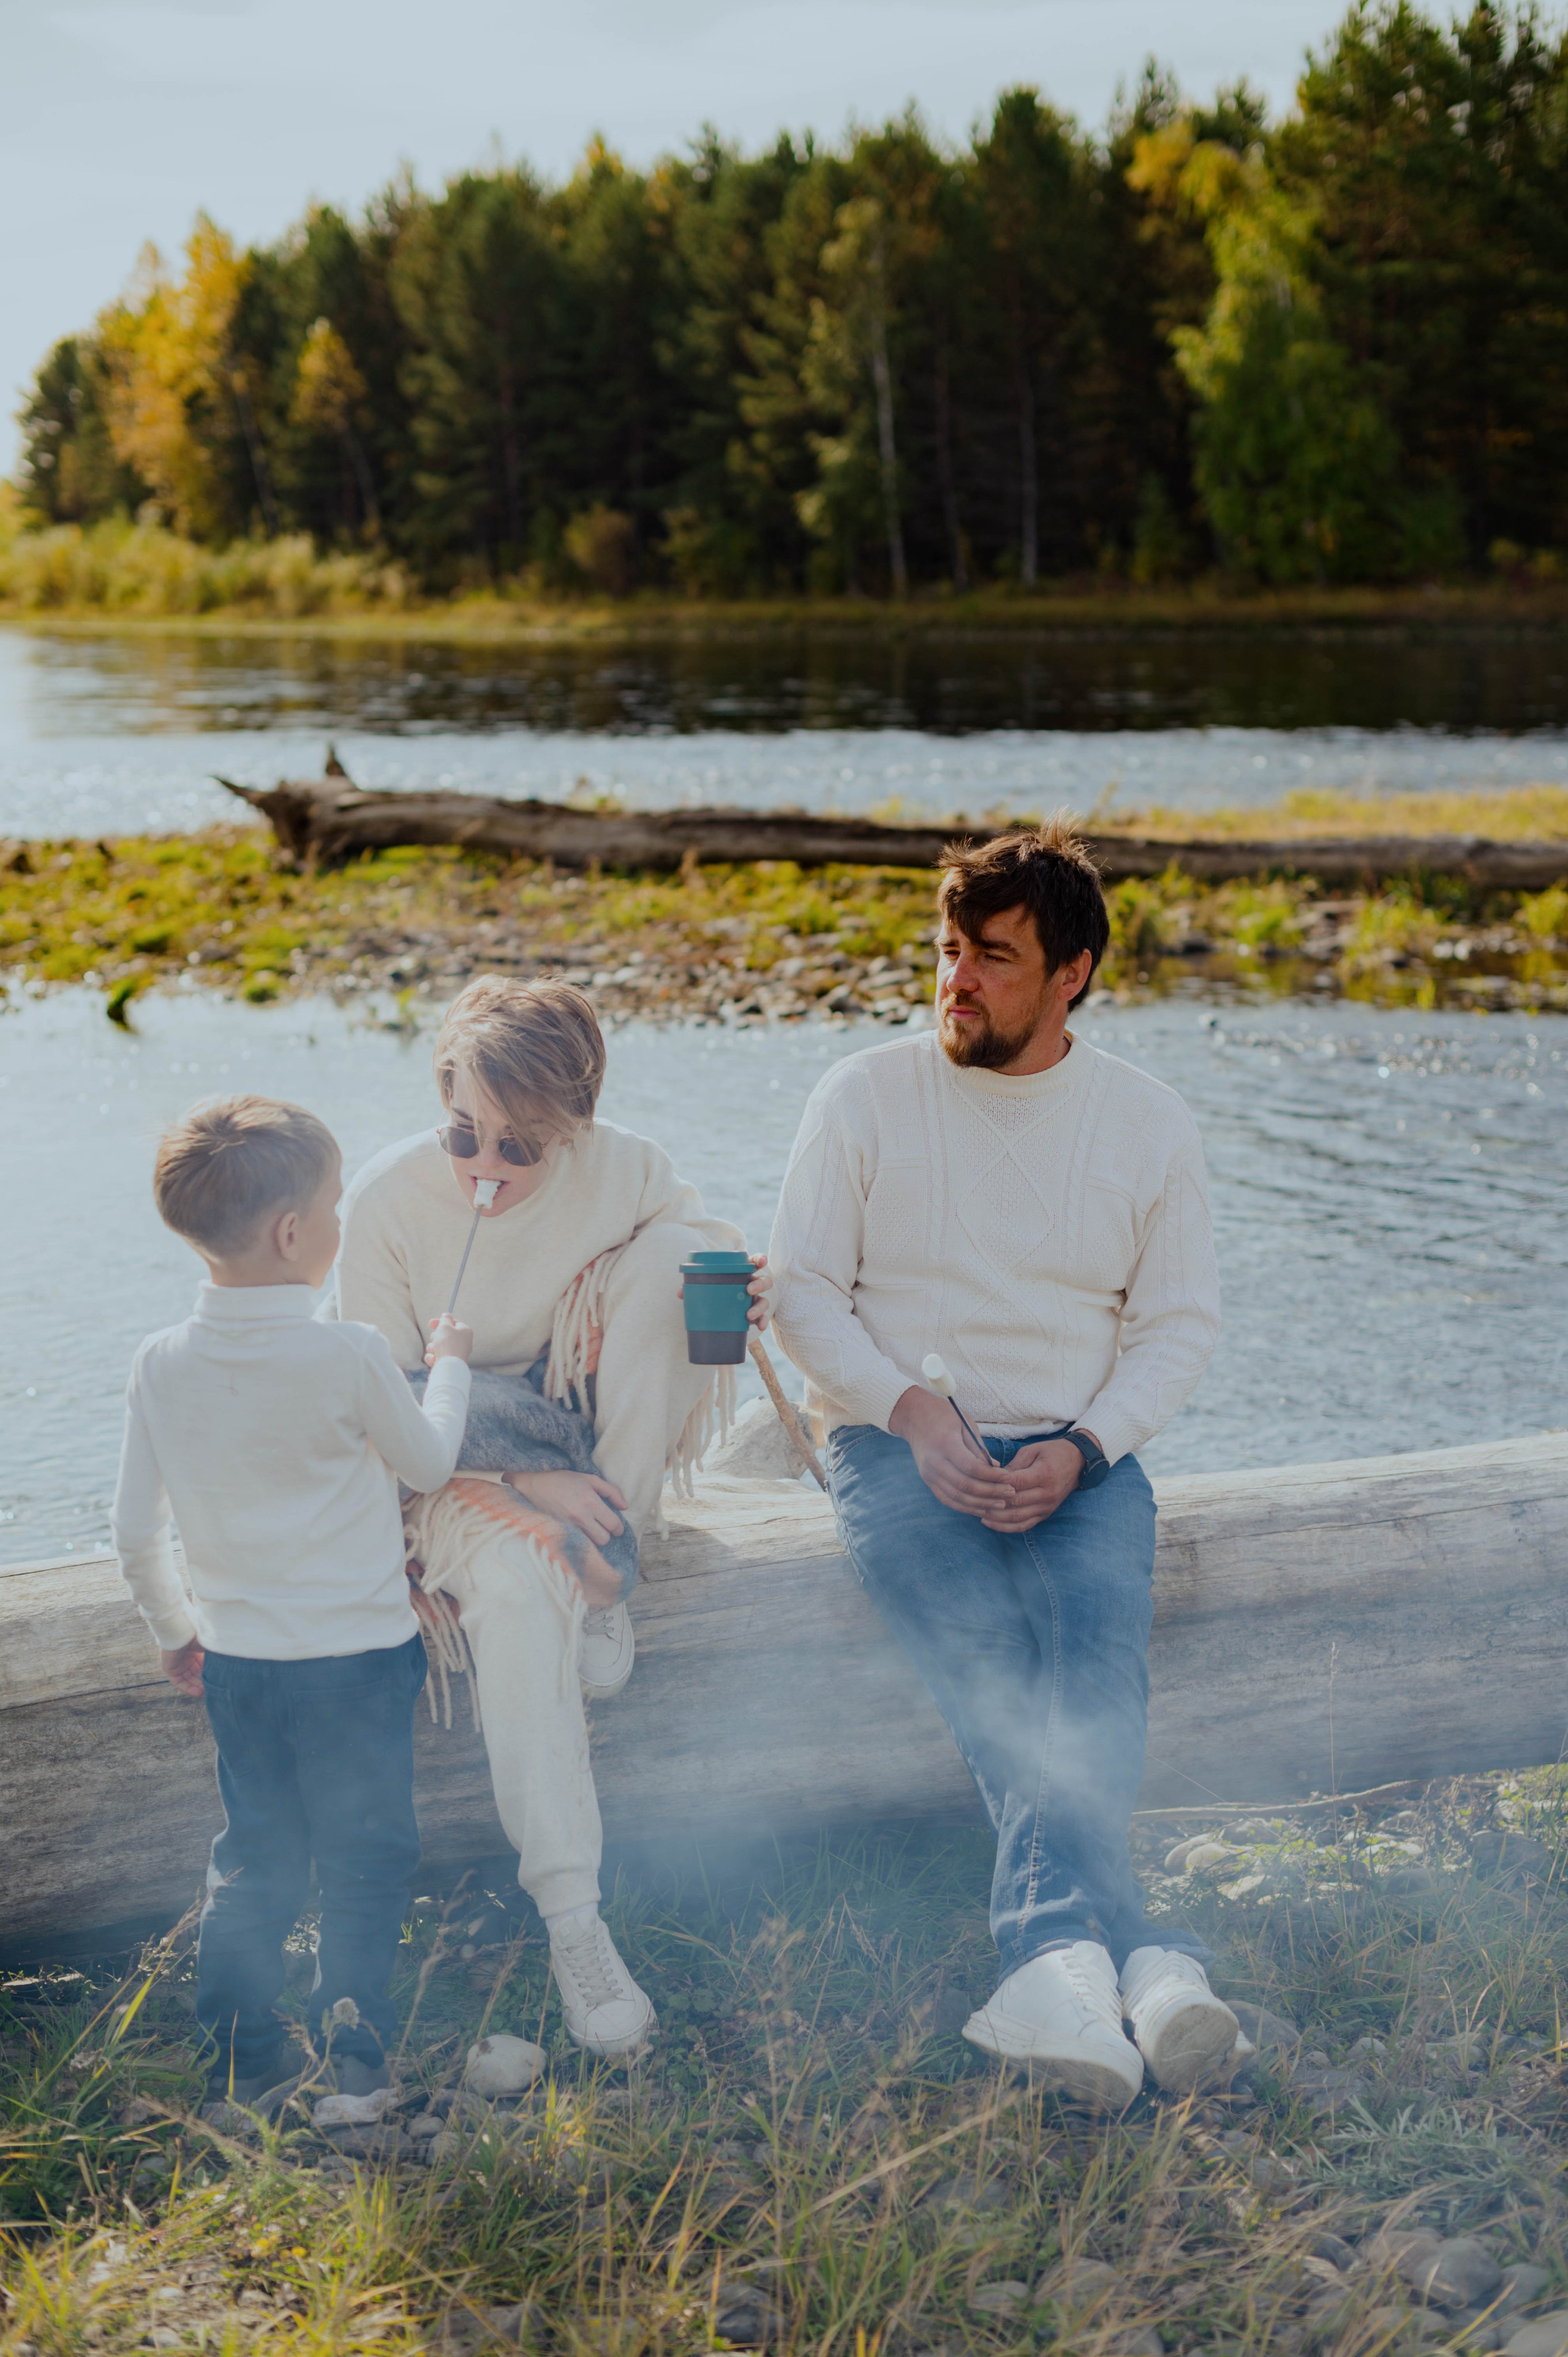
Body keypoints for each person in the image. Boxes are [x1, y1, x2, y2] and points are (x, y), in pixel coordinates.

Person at [769, 820, 1229, 2110]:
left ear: (1071, 971)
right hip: (894, 1442)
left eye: (993, 957)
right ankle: (1134, 1956)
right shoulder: (862, 1094)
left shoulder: (1145, 1122)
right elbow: (801, 1292)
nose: (955, 980)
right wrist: (912, 1413)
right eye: (948, 949)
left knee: (1092, 1664)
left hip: (1078, 1458)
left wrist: (1084, 1450)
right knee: (984, 1655)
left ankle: (1067, 1961)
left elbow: (1178, 1325)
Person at [333, 975, 769, 2061]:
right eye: (464, 1131)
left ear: (573, 1129)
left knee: (673, 1263)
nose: (486, 1164)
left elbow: (702, 1247)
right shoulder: (386, 1207)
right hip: (444, 1457)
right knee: (520, 1592)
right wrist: (530, 1484)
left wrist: (743, 1286)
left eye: (522, 1145)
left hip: (575, 1427)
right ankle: (576, 1920)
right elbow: (383, 1397)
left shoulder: (622, 1165)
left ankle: (606, 1554)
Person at [110, 1095, 473, 2121]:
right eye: (333, 1206)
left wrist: (178, 1635)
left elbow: (134, 1534)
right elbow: (432, 1461)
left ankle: (247, 2068)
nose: (341, 1226)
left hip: (242, 1666)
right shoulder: (350, 1353)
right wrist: (446, 1364)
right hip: (357, 1662)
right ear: (290, 1232)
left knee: (255, 1857)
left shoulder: (159, 1362)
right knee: (364, 1858)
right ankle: (358, 2072)